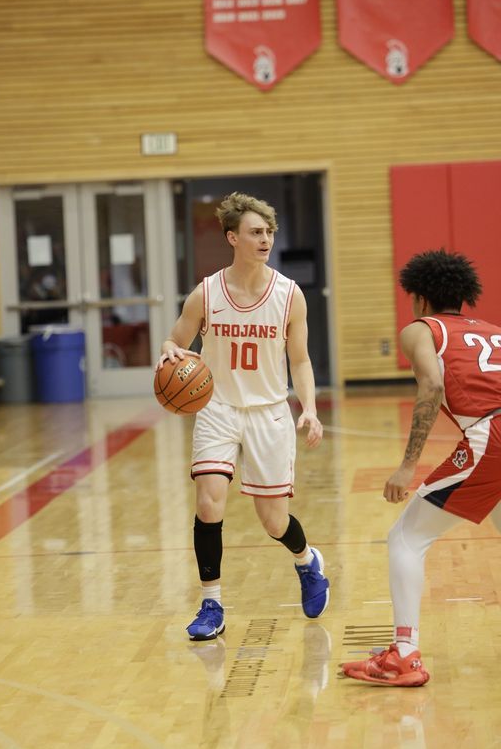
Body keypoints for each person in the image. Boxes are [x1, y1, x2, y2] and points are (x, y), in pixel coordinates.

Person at [157, 192, 329, 641]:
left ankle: (308, 562)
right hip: (217, 409)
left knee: (274, 521)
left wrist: (308, 409)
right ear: (232, 237)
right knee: (209, 501)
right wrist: (170, 357)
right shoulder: (207, 292)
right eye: (256, 232)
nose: (265, 239)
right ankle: (211, 602)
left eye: (269, 232)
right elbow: (174, 341)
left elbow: (302, 361)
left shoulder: (290, 295)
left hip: (269, 411)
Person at [341, 249, 501, 687]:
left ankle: (404, 655)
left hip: (492, 438)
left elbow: (431, 384)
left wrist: (408, 464)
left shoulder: (420, 329)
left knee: (407, 537)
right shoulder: (493, 330)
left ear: (421, 298)